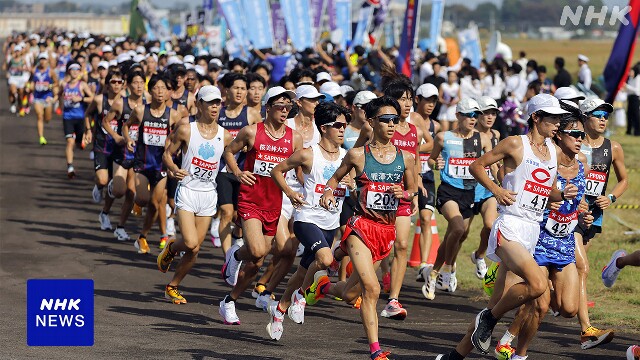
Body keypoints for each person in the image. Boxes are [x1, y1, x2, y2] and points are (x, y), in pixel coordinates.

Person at [435, 94, 575, 359]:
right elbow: (477, 166)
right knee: (537, 284)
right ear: (536, 117)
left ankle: (456, 355)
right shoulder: (514, 143)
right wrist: (496, 190)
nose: (558, 123)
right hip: (509, 225)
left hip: (531, 231)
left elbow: (547, 192)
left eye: (559, 119)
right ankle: (488, 319)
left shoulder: (554, 152)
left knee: (498, 301)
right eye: (552, 118)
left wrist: (562, 195)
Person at [305, 96, 417, 360]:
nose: (392, 125)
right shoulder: (357, 154)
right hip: (361, 227)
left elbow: (413, 189)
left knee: (350, 293)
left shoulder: (407, 158)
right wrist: (327, 193)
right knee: (373, 289)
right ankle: (376, 351)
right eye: (386, 120)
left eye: (395, 120)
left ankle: (322, 286)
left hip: (385, 231)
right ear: (371, 121)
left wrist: (406, 193)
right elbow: (334, 179)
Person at [494, 102, 591, 360]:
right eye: (575, 134)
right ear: (559, 134)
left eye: (583, 134)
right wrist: (502, 190)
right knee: (540, 302)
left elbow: (577, 202)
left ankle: (509, 329)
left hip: (564, 239)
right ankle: (516, 350)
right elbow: (521, 178)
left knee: (569, 309)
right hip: (537, 235)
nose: (581, 139)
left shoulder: (582, 164)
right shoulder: (546, 156)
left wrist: (583, 212)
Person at [265, 101, 351, 340]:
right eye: (338, 125)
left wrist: (351, 184)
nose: (343, 129)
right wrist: (291, 193)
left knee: (303, 271)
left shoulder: (346, 157)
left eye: (345, 125)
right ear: (324, 128)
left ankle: (280, 309)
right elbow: (276, 170)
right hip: (306, 217)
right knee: (325, 259)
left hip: (330, 222)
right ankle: (301, 297)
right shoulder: (307, 154)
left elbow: (352, 183)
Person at [218, 86, 302, 325]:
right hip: (250, 199)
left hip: (274, 202)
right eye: (280, 106)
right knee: (256, 251)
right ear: (268, 107)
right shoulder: (252, 132)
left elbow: (300, 170)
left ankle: (229, 301)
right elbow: (229, 151)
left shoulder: (295, 138)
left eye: (288, 107)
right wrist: (237, 172)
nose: (285, 110)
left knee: (257, 261)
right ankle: (235, 253)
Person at [157, 85, 232, 304]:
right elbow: (167, 155)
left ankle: (173, 286)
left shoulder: (224, 135)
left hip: (209, 195)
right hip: (188, 190)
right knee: (189, 243)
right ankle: (172, 246)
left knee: (195, 250)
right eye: (210, 102)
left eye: (218, 102)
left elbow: (230, 159)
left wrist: (238, 172)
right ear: (199, 104)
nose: (215, 107)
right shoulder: (186, 129)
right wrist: (173, 168)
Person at [573, 96, 628, 349]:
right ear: (585, 118)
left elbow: (623, 179)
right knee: (581, 268)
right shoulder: (572, 142)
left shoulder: (613, 147)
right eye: (598, 115)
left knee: (570, 270)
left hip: (594, 215)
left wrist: (612, 197)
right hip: (570, 211)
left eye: (606, 115)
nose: (603, 119)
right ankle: (586, 330)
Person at [424, 98, 490, 299]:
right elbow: (432, 159)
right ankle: (442, 270)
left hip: (469, 193)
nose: (473, 119)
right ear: (458, 116)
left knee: (457, 234)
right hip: (448, 191)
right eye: (469, 115)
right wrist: (437, 163)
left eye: (475, 115)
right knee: (458, 227)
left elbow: (493, 165)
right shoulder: (444, 138)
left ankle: (436, 271)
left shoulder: (482, 139)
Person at [122, 74, 181, 253]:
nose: (160, 91)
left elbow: (179, 137)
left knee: (156, 204)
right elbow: (126, 125)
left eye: (163, 88)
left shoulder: (174, 115)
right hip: (142, 163)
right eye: (156, 88)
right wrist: (128, 139)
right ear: (150, 90)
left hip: (161, 166)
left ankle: (142, 237)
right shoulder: (141, 111)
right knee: (143, 199)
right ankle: (137, 203)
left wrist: (174, 150)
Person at [216, 73, 263, 255]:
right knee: (227, 212)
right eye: (236, 88)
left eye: (243, 89)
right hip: (223, 169)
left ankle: (237, 238)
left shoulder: (251, 114)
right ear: (227, 90)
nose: (239, 92)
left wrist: (249, 146)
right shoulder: (218, 113)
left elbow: (262, 139)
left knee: (239, 216)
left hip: (246, 172)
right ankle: (228, 255)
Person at [102, 70, 147, 241]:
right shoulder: (121, 104)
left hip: (138, 154)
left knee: (131, 192)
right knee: (119, 191)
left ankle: (120, 227)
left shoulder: (148, 103)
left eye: (142, 83)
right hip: (121, 152)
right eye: (135, 83)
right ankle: (105, 210)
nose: (139, 86)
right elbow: (105, 121)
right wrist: (117, 137)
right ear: (128, 85)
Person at [83, 70, 124, 231]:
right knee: (102, 180)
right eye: (113, 82)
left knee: (116, 187)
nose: (116, 85)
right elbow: (88, 114)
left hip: (118, 147)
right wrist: (88, 130)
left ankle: (105, 213)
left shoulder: (125, 102)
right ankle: (99, 187)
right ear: (107, 85)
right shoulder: (100, 100)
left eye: (119, 82)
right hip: (102, 145)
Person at [468, 96, 501, 281]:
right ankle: (449, 267)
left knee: (490, 225)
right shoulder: (470, 134)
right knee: (461, 232)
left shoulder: (496, 135)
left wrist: (500, 183)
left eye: (493, 113)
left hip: (489, 187)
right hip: (470, 187)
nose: (490, 117)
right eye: (486, 113)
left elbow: (498, 163)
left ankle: (480, 255)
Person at [414, 84, 440, 288]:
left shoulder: (436, 127)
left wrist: (436, 161)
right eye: (427, 100)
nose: (430, 104)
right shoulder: (408, 122)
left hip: (427, 177)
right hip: (407, 177)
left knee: (425, 218)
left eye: (434, 101)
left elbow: (436, 154)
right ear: (417, 99)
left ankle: (424, 264)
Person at [60, 62, 94, 178]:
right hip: (67, 117)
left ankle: (81, 142)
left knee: (79, 143)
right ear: (69, 71)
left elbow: (93, 98)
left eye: (77, 70)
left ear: (80, 72)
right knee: (70, 142)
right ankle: (70, 167)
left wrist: (81, 98)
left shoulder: (82, 85)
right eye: (72, 70)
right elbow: (58, 94)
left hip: (80, 117)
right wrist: (53, 98)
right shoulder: (64, 84)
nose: (75, 72)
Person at [31, 52, 58, 145]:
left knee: (47, 118)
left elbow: (56, 83)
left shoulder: (51, 71)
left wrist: (50, 85)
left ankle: (46, 120)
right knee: (39, 116)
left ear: (47, 61)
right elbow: (32, 81)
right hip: (37, 97)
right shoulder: (35, 70)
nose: (42, 61)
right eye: (41, 59)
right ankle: (41, 137)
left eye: (44, 59)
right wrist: (30, 87)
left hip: (47, 97)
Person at [625, 63, 640, 136]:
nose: (629, 73)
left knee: (636, 115)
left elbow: (636, 90)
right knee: (629, 114)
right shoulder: (630, 78)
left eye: (631, 72)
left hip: (635, 98)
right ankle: (628, 131)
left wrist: (626, 86)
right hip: (630, 97)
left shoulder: (638, 78)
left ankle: (637, 131)